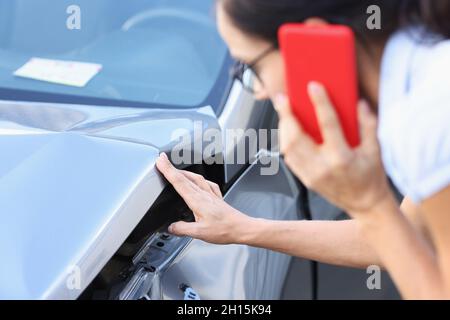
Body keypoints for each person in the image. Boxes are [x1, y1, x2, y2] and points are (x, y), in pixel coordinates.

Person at [156, 0, 450, 299]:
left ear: (314, 40)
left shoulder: (428, 117)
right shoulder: (422, 74)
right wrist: (240, 227)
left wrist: (368, 202)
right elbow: (410, 236)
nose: (259, 91)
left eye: (252, 66)